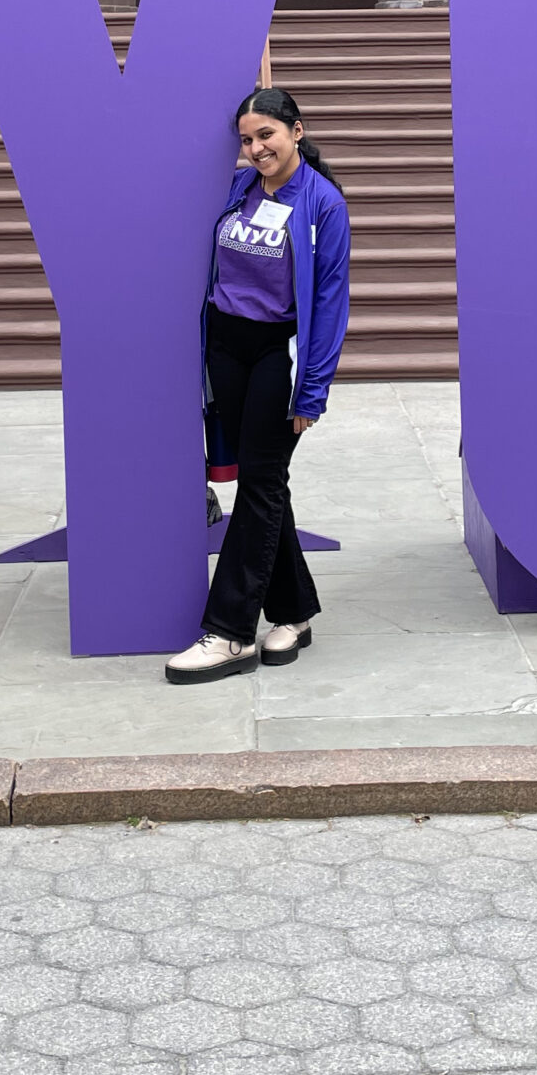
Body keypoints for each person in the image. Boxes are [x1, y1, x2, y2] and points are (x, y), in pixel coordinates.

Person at [167, 86, 351, 685]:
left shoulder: (323, 204)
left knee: (261, 484)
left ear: (296, 132)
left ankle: (229, 631)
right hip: (227, 345)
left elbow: (329, 300)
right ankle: (294, 614)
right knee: (263, 480)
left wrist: (313, 387)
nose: (255, 148)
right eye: (246, 140)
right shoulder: (241, 190)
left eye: (265, 135)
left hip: (280, 353)